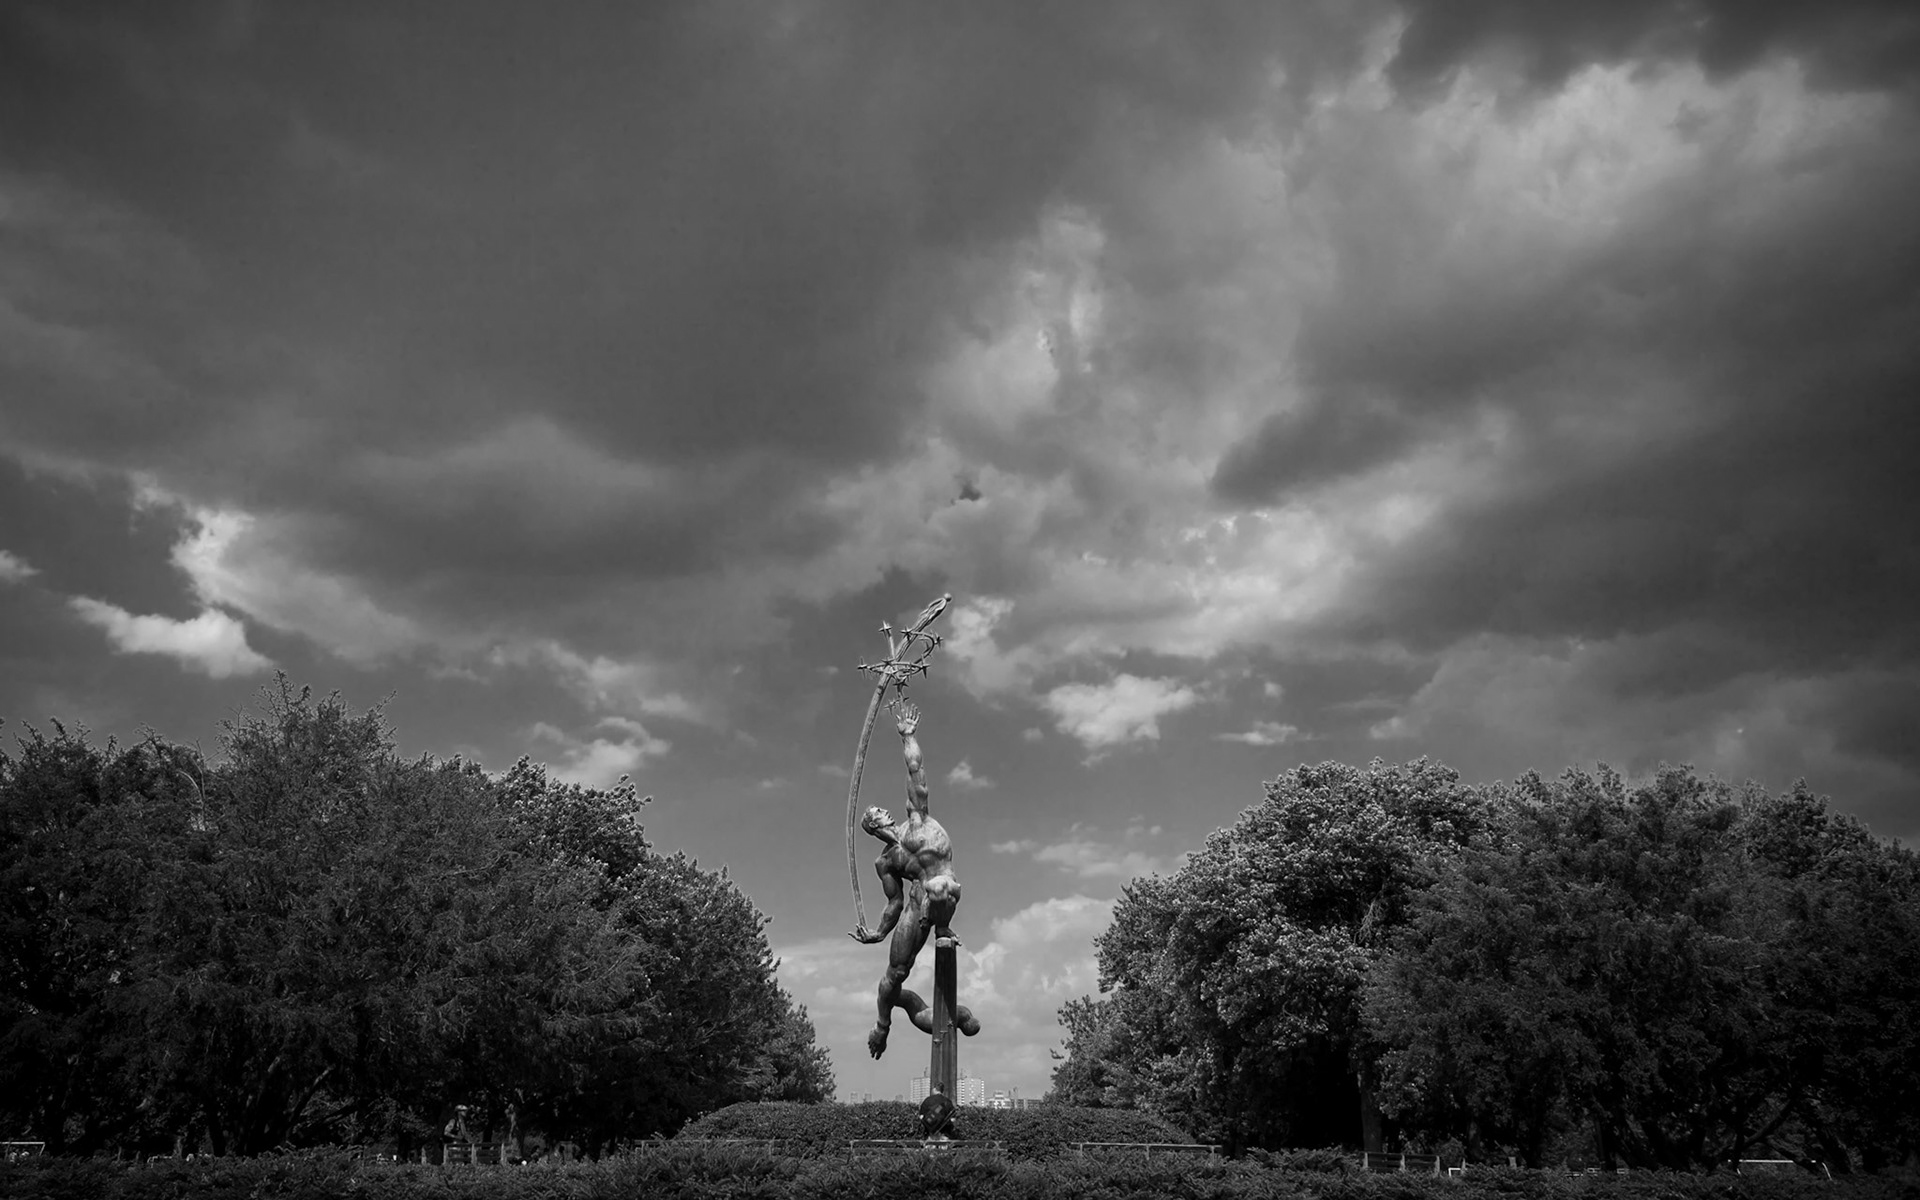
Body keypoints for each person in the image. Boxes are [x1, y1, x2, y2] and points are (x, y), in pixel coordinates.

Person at [849, 700, 980, 1058]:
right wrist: (877, 932)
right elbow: (893, 904)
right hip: (917, 903)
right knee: (893, 976)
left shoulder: (917, 820)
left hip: (944, 888)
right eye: (876, 812)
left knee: (938, 888)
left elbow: (915, 769)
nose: (882, 809)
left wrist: (908, 735)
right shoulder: (886, 863)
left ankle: (944, 930)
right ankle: (885, 1021)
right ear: (873, 826)